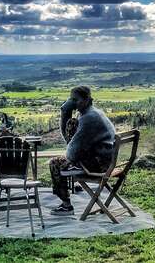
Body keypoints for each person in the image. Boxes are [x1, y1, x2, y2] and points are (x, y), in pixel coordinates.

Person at [48, 86, 116, 215]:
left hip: (99, 166)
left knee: (55, 164)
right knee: (72, 123)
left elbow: (71, 154)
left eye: (75, 100)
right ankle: (70, 195)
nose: (73, 103)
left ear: (86, 100)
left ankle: (66, 206)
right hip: (107, 160)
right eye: (71, 100)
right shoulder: (94, 112)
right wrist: (66, 114)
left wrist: (64, 113)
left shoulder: (88, 118)